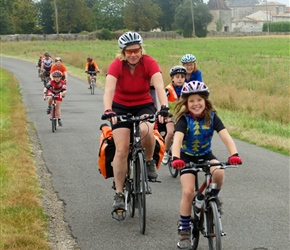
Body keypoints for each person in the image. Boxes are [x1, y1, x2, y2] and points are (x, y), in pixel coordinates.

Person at [170, 81, 242, 249]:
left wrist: (234, 154)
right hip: (186, 157)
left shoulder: (213, 117)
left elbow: (226, 136)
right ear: (186, 104)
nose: (196, 104)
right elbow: (177, 140)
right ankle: (185, 231)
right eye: (192, 101)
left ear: (206, 101)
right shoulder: (184, 120)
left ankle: (211, 196)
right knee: (188, 192)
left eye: (199, 100)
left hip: (205, 155)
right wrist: (175, 157)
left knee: (219, 172)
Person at [102, 31, 169, 212]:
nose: (133, 54)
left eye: (136, 50)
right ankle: (118, 193)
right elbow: (109, 90)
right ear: (123, 52)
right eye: (129, 51)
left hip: (143, 104)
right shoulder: (117, 65)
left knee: (146, 130)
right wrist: (108, 110)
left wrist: (164, 107)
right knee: (122, 148)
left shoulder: (149, 62)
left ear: (141, 49)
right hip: (120, 106)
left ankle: (148, 161)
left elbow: (160, 86)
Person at [161, 65, 187, 164]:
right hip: (170, 115)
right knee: (171, 132)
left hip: (183, 115)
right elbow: (162, 102)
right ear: (172, 78)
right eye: (177, 77)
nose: (180, 79)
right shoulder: (168, 90)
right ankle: (166, 152)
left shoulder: (188, 88)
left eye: (182, 77)